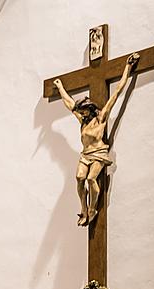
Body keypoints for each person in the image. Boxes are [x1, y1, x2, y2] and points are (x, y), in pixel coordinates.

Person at [54, 53, 138, 226]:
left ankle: (92, 208)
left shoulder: (100, 118)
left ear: (89, 110)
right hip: (86, 154)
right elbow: (69, 104)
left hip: (99, 153)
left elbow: (117, 92)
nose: (81, 114)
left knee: (91, 179)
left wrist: (127, 68)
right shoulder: (82, 121)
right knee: (79, 178)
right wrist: (60, 86)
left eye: (83, 111)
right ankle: (83, 208)